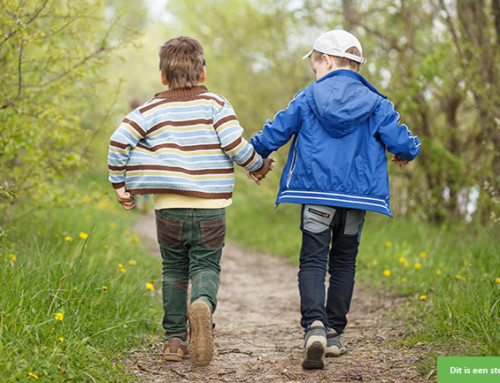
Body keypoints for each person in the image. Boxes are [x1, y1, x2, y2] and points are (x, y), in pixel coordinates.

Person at [248, 30, 421, 369]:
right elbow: (403, 141)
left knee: (313, 260)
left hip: (314, 193)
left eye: (314, 65)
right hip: (357, 198)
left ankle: (314, 326)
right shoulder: (377, 104)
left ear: (326, 60)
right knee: (344, 262)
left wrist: (255, 159)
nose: (314, 72)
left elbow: (275, 131)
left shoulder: (308, 96)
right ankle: (335, 334)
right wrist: (406, 152)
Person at [108, 36, 273, 367]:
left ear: (162, 77)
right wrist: (258, 164)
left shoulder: (149, 109)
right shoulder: (215, 104)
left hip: (168, 207)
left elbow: (119, 139)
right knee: (206, 265)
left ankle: (173, 340)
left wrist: (120, 184)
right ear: (203, 73)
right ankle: (202, 304)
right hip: (211, 206)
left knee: (173, 270)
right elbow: (234, 144)